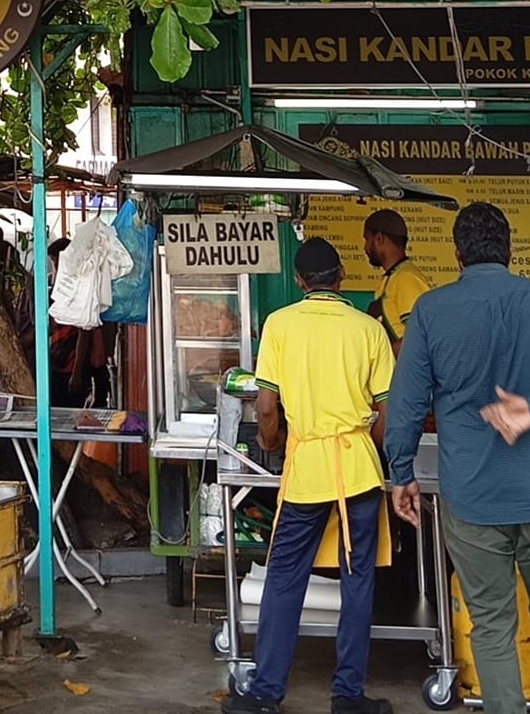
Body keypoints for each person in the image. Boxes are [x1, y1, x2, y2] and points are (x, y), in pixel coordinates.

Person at [385, 202, 530, 714]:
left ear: (457, 253)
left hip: (473, 497)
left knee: (491, 622)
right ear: (510, 250)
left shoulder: (431, 310)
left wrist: (401, 472)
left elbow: (405, 402)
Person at [223, 236, 394, 714]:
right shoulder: (367, 329)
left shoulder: (280, 325)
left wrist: (272, 442)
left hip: (306, 471)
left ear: (299, 281)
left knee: (284, 577)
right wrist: (369, 450)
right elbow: (387, 410)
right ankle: (348, 695)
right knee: (357, 579)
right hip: (358, 470)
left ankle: (265, 693)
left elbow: (266, 405)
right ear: (340, 276)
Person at [363, 209, 430, 353]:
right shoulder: (390, 278)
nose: (365, 248)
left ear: (379, 238)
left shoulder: (406, 279)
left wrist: (382, 356)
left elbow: (420, 336)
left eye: (367, 239)